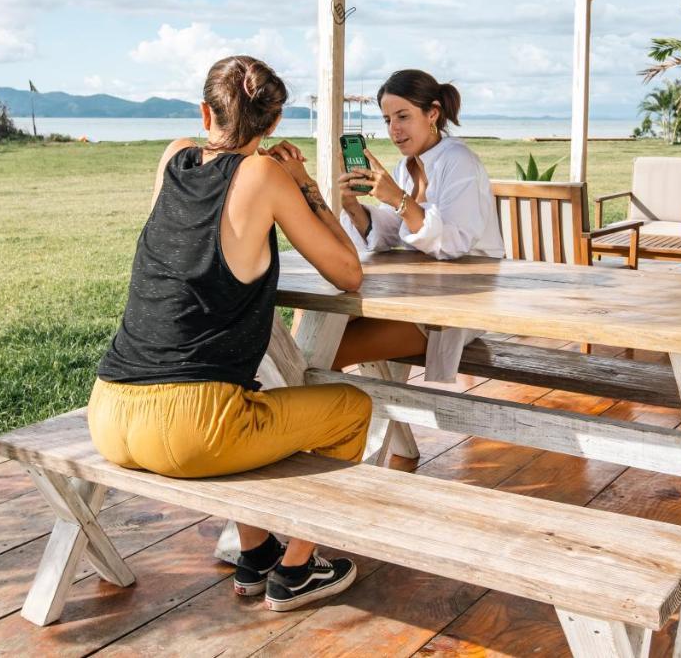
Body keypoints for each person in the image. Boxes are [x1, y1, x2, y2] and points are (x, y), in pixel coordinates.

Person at [88, 55, 372, 612]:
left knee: (253, 394)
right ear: (273, 125)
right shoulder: (263, 175)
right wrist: (305, 183)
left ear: (204, 112)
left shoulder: (174, 157)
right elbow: (347, 271)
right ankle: (296, 571)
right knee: (352, 408)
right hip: (194, 429)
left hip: (111, 411)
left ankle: (257, 550)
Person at [334, 69, 504, 380]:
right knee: (322, 318)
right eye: (387, 120)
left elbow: (453, 243)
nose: (394, 130)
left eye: (403, 116)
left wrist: (398, 198)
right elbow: (398, 230)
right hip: (414, 292)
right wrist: (354, 208)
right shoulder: (406, 166)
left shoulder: (459, 161)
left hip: (457, 304)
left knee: (325, 351)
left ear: (433, 114)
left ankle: (318, 419)